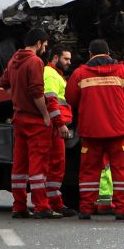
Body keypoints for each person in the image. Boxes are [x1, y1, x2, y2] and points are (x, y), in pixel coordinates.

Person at [66, 39, 124, 220]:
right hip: (117, 132)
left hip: (91, 132)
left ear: (90, 54)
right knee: (120, 171)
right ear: (109, 54)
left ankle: (85, 210)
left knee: (89, 171)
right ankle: (122, 210)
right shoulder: (122, 71)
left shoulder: (80, 74)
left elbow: (71, 99)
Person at [0, 28, 63, 219]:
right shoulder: (35, 62)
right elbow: (37, 92)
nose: (45, 48)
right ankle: (41, 206)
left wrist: (18, 97)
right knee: (38, 166)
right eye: (44, 44)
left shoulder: (13, 60)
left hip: (19, 119)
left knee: (19, 165)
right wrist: (45, 115)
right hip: (35, 120)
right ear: (38, 43)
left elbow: (4, 83)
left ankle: (19, 206)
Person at [43, 44, 77, 217]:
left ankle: (55, 203)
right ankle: (50, 204)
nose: (69, 62)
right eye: (66, 58)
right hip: (54, 127)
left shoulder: (56, 75)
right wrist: (60, 124)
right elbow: (51, 101)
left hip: (55, 126)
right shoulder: (50, 74)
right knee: (53, 165)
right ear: (55, 58)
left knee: (57, 165)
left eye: (70, 59)